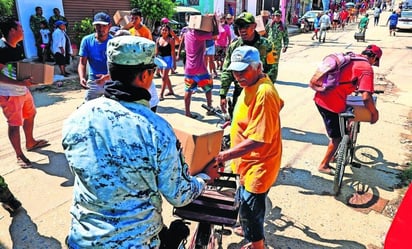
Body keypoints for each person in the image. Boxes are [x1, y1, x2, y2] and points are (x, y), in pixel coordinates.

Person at [62, 35, 215, 248]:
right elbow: (179, 195)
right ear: (145, 75)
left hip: (83, 239)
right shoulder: (156, 129)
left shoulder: (76, 118)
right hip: (138, 242)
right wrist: (205, 177)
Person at [215, 46, 283, 249]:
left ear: (258, 67)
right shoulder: (250, 86)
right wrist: (235, 123)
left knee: (252, 209)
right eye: (235, 71)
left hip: (259, 163)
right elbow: (279, 105)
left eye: (243, 71)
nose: (238, 76)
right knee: (243, 202)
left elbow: (259, 139)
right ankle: (249, 233)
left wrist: (223, 156)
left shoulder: (264, 92)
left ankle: (258, 246)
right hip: (245, 161)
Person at [312, 44, 382, 175]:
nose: (373, 64)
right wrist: (374, 113)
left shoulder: (351, 57)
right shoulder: (366, 68)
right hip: (331, 104)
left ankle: (336, 151)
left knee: (346, 116)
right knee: (337, 137)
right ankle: (324, 164)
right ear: (374, 58)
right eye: (375, 61)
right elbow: (366, 98)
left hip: (321, 96)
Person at [0, 16, 50, 168]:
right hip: (9, 93)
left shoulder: (18, 46)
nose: (23, 30)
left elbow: (17, 68)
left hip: (22, 89)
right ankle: (19, 155)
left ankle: (30, 142)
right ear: (12, 30)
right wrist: (19, 82)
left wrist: (31, 77)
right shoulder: (1, 48)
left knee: (31, 114)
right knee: (14, 124)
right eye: (20, 28)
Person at [219, 12, 277, 117]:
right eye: (239, 26)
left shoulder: (267, 45)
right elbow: (227, 70)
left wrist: (264, 91)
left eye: (246, 26)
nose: (242, 30)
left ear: (254, 26)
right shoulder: (234, 46)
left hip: (258, 92)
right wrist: (223, 93)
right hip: (240, 91)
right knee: (237, 119)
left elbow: (272, 70)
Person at [183, 16, 218, 118]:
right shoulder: (198, 34)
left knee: (188, 90)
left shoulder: (187, 33)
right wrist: (213, 20)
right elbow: (215, 35)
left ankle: (187, 112)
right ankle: (210, 107)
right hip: (200, 69)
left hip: (189, 68)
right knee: (208, 88)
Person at [78, 12, 112, 101]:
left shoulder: (113, 42)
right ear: (94, 26)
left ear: (109, 26)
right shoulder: (86, 41)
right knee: (88, 108)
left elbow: (119, 66)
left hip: (111, 81)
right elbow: (82, 63)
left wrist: (107, 77)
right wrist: (82, 77)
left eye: (104, 26)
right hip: (94, 81)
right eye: (98, 25)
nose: (100, 28)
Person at [265, 10, 289, 82]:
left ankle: (273, 78)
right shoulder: (270, 24)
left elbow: (285, 36)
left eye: (279, 16)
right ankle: (267, 76)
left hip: (277, 48)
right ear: (274, 16)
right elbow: (264, 33)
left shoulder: (283, 26)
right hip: (269, 46)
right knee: (267, 62)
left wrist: (286, 45)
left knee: (275, 64)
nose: (277, 17)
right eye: (276, 16)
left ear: (281, 17)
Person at [155, 24, 176, 100]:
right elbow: (156, 51)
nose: (164, 31)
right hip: (160, 59)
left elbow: (173, 52)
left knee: (164, 77)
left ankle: (161, 94)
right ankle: (171, 91)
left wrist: (174, 63)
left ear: (168, 32)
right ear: (160, 31)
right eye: (163, 30)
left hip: (168, 59)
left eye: (166, 30)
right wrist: (154, 59)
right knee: (165, 77)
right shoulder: (158, 39)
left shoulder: (171, 40)